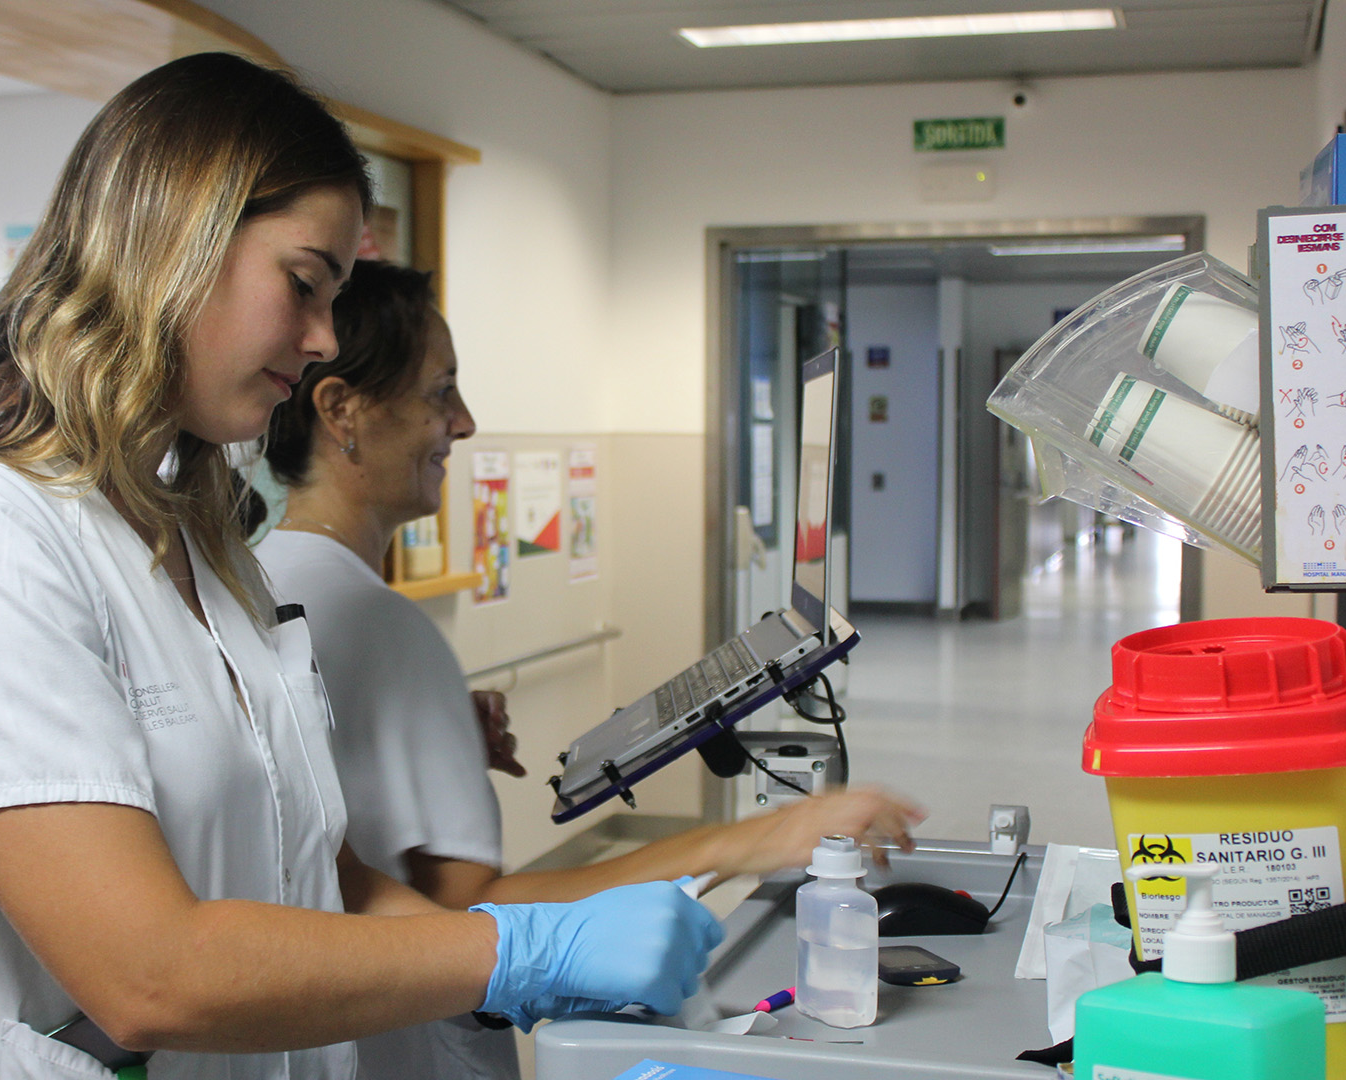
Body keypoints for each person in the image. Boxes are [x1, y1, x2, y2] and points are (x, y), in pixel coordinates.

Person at [0, 54, 721, 1080]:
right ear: (170, 239)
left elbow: (323, 877)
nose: (321, 340)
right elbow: (148, 974)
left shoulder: (205, 553)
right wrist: (510, 950)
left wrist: (535, 959)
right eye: (302, 285)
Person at [256, 260, 928, 1080]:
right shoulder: (388, 632)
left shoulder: (258, 587)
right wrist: (760, 838)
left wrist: (435, 733)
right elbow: (480, 922)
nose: (464, 424)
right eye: (441, 392)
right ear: (342, 410)